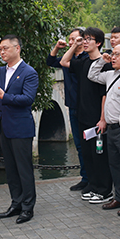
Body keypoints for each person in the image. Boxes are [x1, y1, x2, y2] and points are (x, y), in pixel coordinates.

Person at [0, 35, 39, 224]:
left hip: (21, 128)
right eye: (0, 49)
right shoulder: (1, 71)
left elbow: (28, 99)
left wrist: (5, 96)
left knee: (24, 170)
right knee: (10, 169)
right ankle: (15, 203)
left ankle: (27, 207)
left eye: (5, 48)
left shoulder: (29, 72)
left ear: (17, 48)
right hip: (4, 127)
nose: (2, 52)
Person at [60, 27, 114, 204]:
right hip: (82, 116)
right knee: (88, 155)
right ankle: (93, 186)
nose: (85, 42)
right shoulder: (83, 62)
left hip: (96, 119)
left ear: (98, 43)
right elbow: (64, 61)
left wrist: (102, 119)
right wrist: (74, 45)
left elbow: (105, 94)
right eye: (84, 39)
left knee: (99, 155)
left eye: (89, 39)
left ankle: (105, 190)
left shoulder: (105, 63)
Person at [88, 44, 120, 213]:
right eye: (112, 54)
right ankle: (119, 197)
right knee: (115, 164)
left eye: (117, 54)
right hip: (111, 128)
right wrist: (102, 60)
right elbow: (92, 75)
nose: (113, 57)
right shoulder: (110, 75)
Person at [47, 28, 89, 191]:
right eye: (70, 39)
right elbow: (50, 62)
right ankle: (85, 178)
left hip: (87, 108)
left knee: (90, 145)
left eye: (75, 39)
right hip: (72, 106)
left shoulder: (87, 58)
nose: (71, 42)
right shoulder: (68, 57)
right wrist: (57, 48)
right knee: (79, 145)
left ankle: (93, 179)